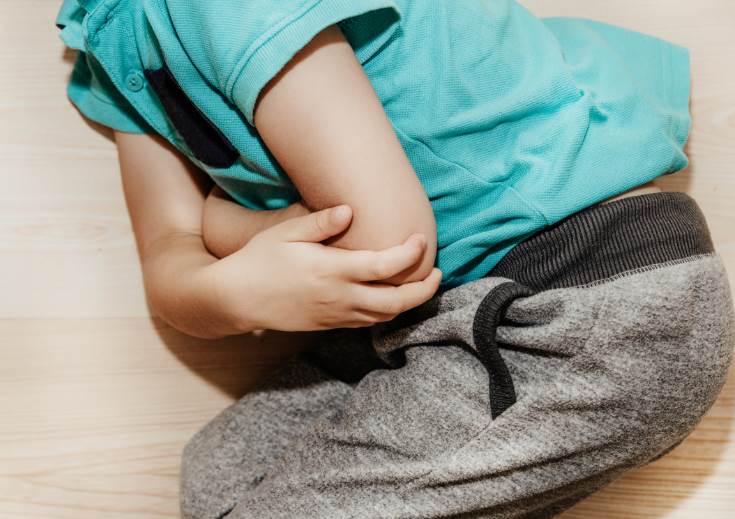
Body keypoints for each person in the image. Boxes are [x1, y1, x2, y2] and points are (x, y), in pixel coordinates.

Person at [56, 0, 734, 517]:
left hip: (577, 299)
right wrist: (233, 290)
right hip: (435, 311)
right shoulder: (107, 32)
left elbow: (388, 249)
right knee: (219, 480)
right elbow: (169, 266)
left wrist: (222, 225)